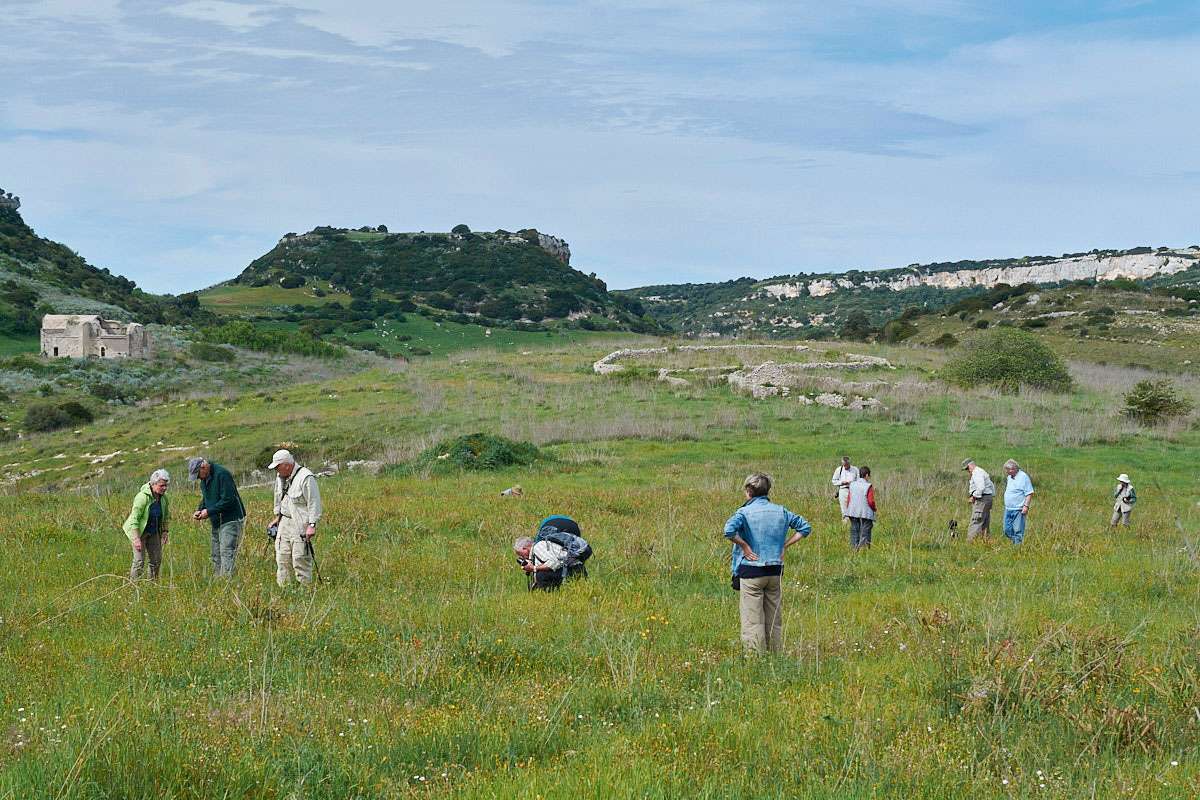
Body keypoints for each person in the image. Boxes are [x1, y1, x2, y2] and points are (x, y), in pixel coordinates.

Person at [723, 473, 812, 653]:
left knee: (752, 620)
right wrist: (784, 546)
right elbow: (805, 527)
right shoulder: (781, 511)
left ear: (749, 491)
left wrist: (745, 546)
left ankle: (756, 658)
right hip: (775, 570)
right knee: (774, 619)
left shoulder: (744, 512)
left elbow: (728, 530)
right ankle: (775, 654)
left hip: (751, 571)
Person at [268, 449, 323, 587]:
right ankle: (284, 588)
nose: (276, 470)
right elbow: (278, 497)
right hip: (284, 522)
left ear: (287, 465)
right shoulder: (280, 477)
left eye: (277, 467)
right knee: (282, 556)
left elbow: (314, 502)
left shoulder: (306, 477)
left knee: (300, 557)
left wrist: (312, 525)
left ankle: (305, 589)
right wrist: (277, 517)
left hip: (300, 523)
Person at [188, 456, 247, 577]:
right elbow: (206, 498)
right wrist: (199, 510)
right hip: (216, 521)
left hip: (230, 519)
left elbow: (228, 499)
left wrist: (208, 512)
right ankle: (218, 581)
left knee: (226, 552)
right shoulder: (204, 480)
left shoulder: (222, 474)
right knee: (216, 553)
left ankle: (227, 581)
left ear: (203, 467)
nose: (199, 478)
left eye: (198, 475)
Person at [513, 515, 590, 591]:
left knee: (542, 574)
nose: (523, 557)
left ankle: (547, 596)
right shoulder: (546, 544)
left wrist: (533, 568)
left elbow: (553, 562)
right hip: (576, 564)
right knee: (543, 572)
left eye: (520, 554)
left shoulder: (538, 546)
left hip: (572, 568)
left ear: (524, 548)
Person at [123, 469, 171, 580]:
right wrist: (136, 539)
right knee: (139, 561)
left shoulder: (164, 498)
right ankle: (134, 586)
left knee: (156, 559)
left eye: (166, 485)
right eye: (162, 485)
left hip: (153, 531)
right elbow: (134, 519)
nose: (164, 488)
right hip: (139, 532)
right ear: (153, 484)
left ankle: (152, 584)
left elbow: (165, 516)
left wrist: (165, 531)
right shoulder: (142, 497)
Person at [1001, 459, 1034, 545]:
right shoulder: (1009, 477)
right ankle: (1015, 541)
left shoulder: (1023, 477)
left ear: (1015, 468)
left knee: (1018, 530)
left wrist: (1026, 506)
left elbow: (1029, 493)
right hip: (1008, 508)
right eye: (1006, 470)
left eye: (1009, 470)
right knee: (1006, 529)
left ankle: (1017, 547)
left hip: (1019, 509)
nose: (1007, 472)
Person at [962, 458, 995, 540]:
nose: (967, 471)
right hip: (987, 498)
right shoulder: (981, 471)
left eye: (967, 468)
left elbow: (981, 487)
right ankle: (985, 541)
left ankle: (970, 542)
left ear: (970, 465)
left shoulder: (976, 473)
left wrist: (974, 497)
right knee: (985, 522)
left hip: (982, 499)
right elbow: (991, 486)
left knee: (976, 521)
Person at [845, 466, 876, 551]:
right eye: (869, 476)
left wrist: (849, 510)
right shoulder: (868, 486)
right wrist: (874, 509)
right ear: (866, 475)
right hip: (865, 513)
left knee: (855, 531)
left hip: (852, 512)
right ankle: (863, 550)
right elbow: (871, 501)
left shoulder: (852, 484)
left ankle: (854, 549)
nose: (869, 478)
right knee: (865, 532)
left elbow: (849, 499)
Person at [831, 456, 859, 520]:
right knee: (844, 511)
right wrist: (841, 482)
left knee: (854, 510)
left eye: (847, 465)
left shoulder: (855, 469)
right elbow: (834, 481)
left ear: (849, 463)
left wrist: (852, 483)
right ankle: (845, 526)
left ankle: (853, 525)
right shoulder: (839, 469)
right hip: (843, 490)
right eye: (844, 465)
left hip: (853, 491)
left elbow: (859, 480)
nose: (845, 466)